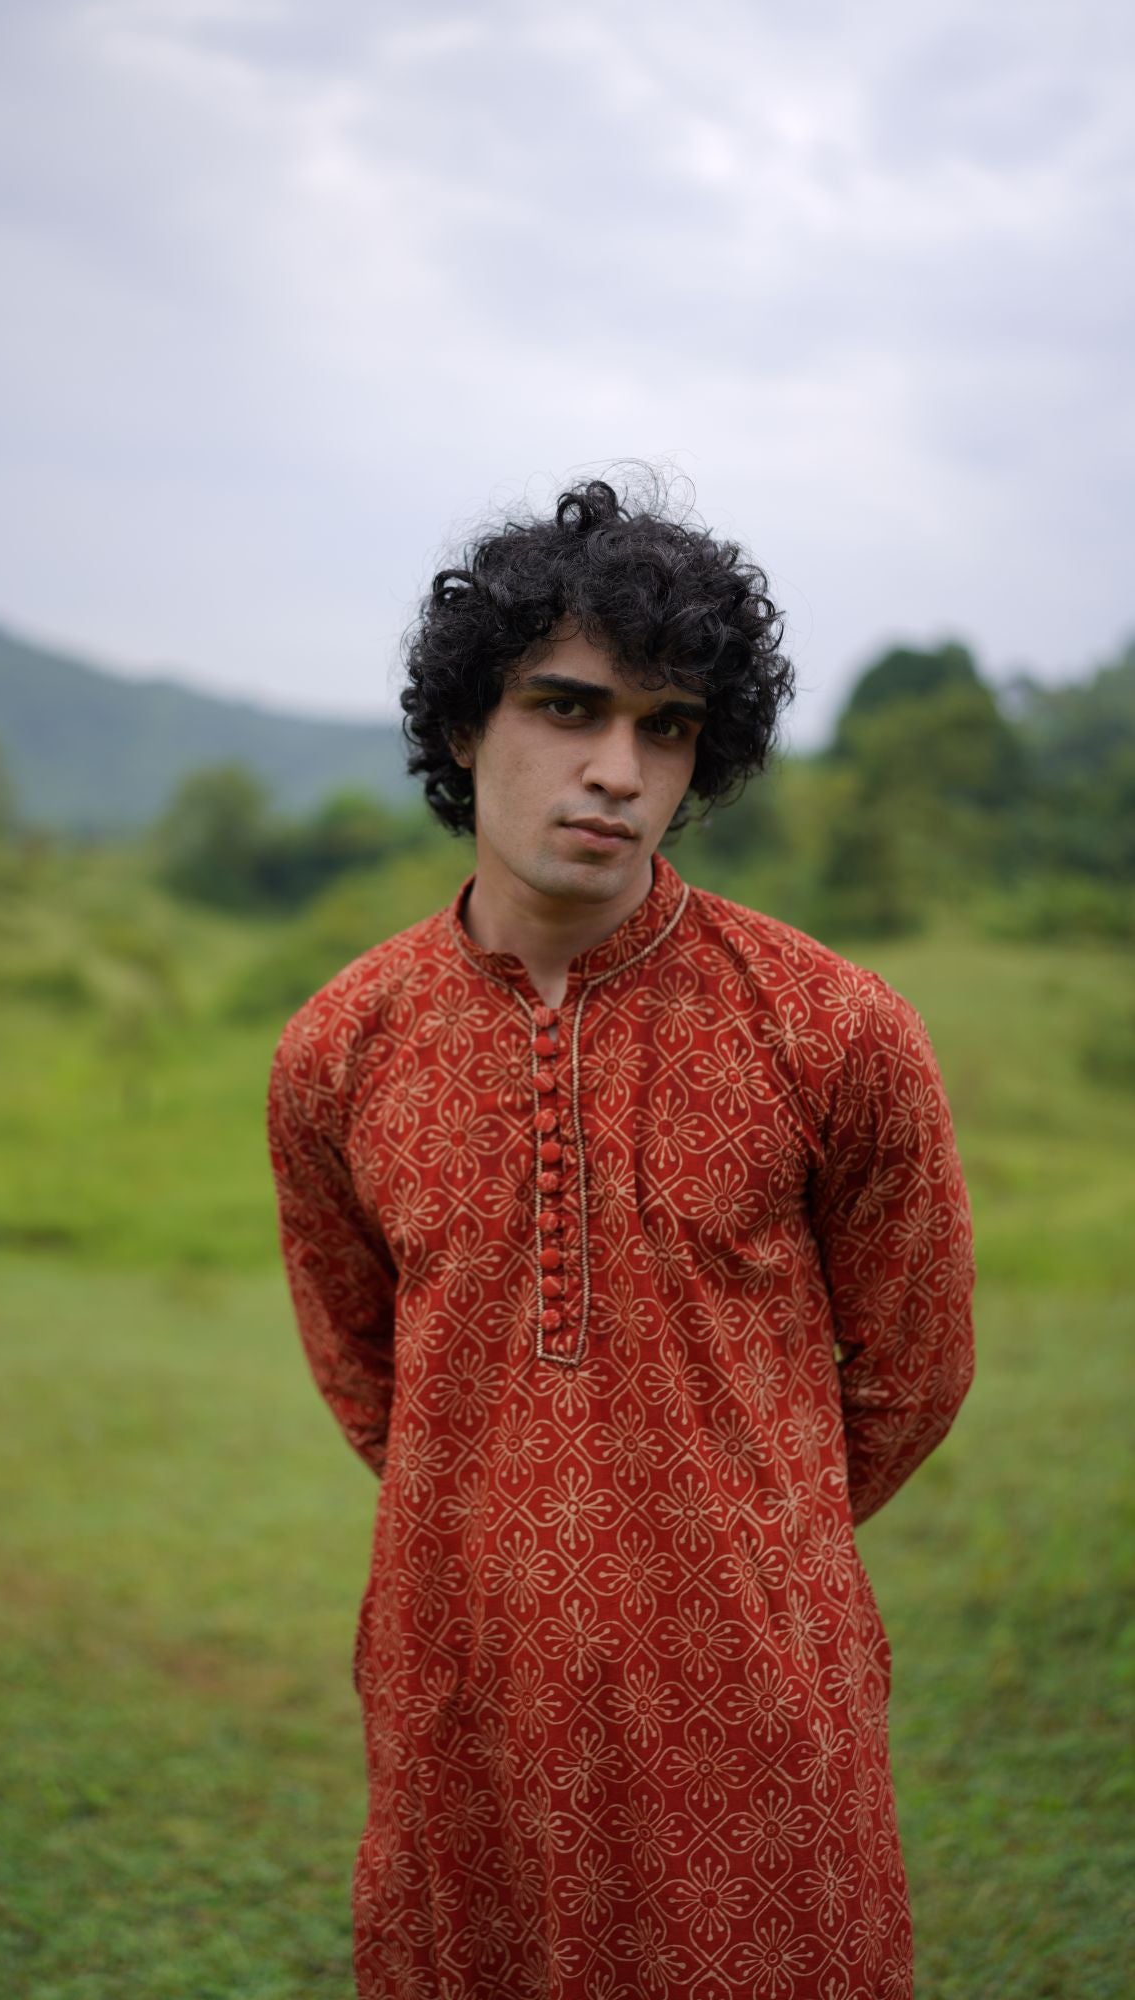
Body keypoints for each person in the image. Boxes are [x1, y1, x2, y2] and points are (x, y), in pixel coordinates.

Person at [266, 476, 975, 2000]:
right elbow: (363, 1364)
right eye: (567, 708)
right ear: (466, 725)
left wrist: (730, 1536)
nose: (616, 769)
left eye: (666, 727)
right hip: (463, 1692)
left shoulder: (830, 1032)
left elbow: (913, 1369)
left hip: (754, 1698)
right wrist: (509, 1525)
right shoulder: (340, 1049)